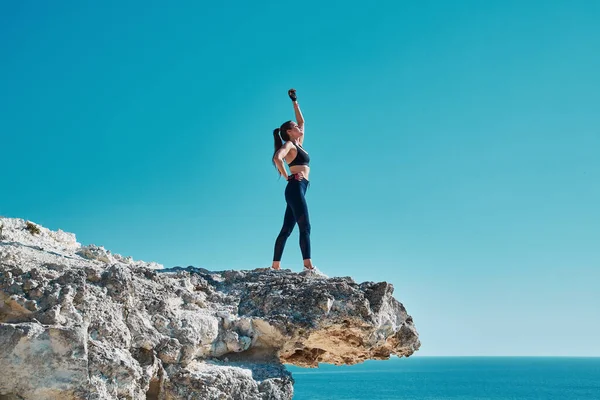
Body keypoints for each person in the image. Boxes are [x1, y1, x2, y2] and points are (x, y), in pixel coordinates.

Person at [271, 89, 316, 272]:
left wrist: (294, 101)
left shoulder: (299, 144)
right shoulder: (289, 145)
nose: (299, 128)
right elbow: (277, 158)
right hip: (295, 186)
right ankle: (308, 266)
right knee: (305, 226)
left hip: (300, 187)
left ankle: (275, 267)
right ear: (289, 132)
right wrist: (287, 176)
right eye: (295, 128)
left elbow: (302, 121)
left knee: (287, 229)